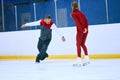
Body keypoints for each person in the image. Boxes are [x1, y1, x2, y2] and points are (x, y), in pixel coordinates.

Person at [71, 1, 90, 66]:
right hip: (85, 30)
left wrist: (82, 29)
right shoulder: (81, 13)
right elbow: (86, 21)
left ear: (72, 6)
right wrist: (86, 29)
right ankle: (87, 58)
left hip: (80, 30)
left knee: (78, 44)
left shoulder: (73, 14)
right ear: (77, 6)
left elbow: (77, 23)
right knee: (82, 44)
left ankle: (79, 59)